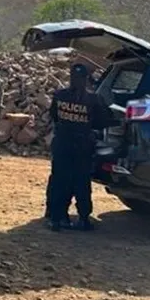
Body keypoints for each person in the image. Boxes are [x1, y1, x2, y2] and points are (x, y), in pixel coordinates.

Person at [47, 63, 115, 231]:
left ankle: (56, 218)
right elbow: (102, 122)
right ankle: (83, 218)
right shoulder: (93, 99)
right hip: (82, 146)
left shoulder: (60, 95)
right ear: (86, 80)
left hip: (62, 143)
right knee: (81, 182)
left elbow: (54, 116)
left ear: (71, 78)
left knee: (59, 180)